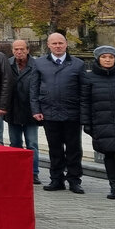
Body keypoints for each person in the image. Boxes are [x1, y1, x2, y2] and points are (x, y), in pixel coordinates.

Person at [32, 32, 87, 193]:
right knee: (54, 148)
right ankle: (56, 179)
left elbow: (84, 91)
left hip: (72, 113)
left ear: (66, 44)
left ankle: (74, 180)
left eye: (60, 43)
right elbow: (33, 88)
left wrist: (83, 113)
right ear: (48, 45)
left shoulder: (78, 64)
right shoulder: (40, 63)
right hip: (49, 113)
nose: (57, 46)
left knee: (74, 148)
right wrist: (36, 110)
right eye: (54, 43)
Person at [81, 46, 115, 201]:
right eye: (104, 57)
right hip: (102, 122)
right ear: (98, 59)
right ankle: (113, 187)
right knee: (108, 155)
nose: (108, 60)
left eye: (111, 57)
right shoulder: (89, 78)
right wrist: (86, 123)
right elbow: (85, 102)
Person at [7, 40, 42, 185]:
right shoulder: (7, 64)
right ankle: (16, 171)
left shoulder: (36, 65)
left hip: (30, 109)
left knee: (32, 143)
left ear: (28, 50)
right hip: (12, 109)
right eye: (16, 49)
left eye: (22, 49)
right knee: (15, 143)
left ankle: (33, 172)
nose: (19, 52)